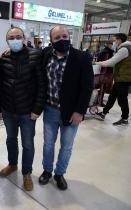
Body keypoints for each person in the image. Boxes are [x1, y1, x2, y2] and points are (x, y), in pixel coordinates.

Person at [39, 26, 94, 190]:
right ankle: (47, 171)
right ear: (51, 41)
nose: (62, 39)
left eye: (64, 36)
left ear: (69, 37)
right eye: (57, 38)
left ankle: (59, 173)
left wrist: (80, 111)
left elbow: (87, 87)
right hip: (50, 110)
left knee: (67, 146)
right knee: (48, 144)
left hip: (71, 113)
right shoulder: (46, 54)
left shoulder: (82, 57)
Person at [0, 27, 46, 191]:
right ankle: (12, 164)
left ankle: (26, 173)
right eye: (12, 37)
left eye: (18, 36)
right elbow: (0, 84)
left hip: (27, 111)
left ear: (23, 38)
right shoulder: (3, 58)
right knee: (11, 139)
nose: (15, 39)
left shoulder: (36, 55)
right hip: (9, 109)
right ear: (7, 40)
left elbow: (41, 85)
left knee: (28, 144)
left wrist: (37, 109)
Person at [96, 33, 131, 125]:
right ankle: (103, 113)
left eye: (115, 40)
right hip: (121, 77)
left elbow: (111, 62)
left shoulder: (124, 49)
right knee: (112, 97)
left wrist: (97, 63)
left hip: (124, 78)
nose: (114, 42)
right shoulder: (126, 47)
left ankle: (124, 119)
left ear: (119, 40)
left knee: (122, 99)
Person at [96, 40, 114, 107]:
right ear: (107, 44)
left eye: (112, 44)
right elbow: (105, 63)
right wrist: (105, 74)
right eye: (110, 44)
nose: (111, 45)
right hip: (105, 73)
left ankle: (99, 101)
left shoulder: (107, 51)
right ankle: (99, 102)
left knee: (102, 87)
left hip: (104, 72)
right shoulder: (106, 52)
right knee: (102, 87)